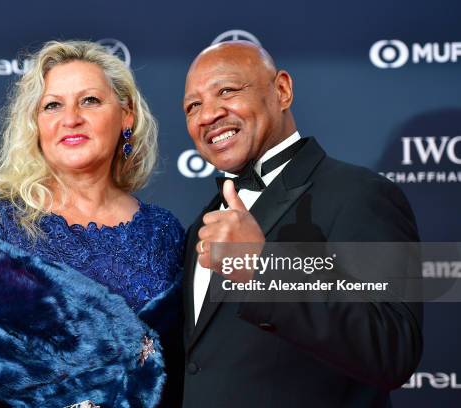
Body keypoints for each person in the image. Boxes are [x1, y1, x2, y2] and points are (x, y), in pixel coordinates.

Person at [0, 40, 184, 408]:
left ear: (127, 115)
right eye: (52, 105)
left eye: (90, 100)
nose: (70, 117)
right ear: (36, 124)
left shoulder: (164, 232)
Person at [181, 41, 423, 407]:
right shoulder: (203, 221)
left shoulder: (360, 194)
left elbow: (394, 348)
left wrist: (262, 267)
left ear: (281, 90)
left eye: (227, 91)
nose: (207, 115)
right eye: (192, 106)